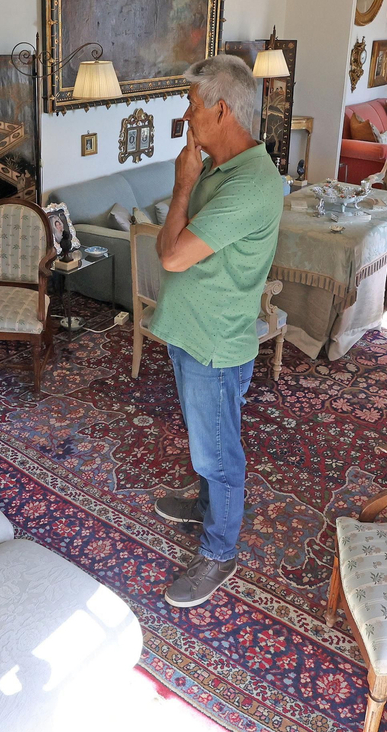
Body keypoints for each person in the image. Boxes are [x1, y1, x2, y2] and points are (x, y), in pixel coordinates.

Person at [148, 55, 283, 608]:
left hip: (215, 343)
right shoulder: (219, 168)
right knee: (207, 443)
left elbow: (173, 256)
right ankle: (209, 507)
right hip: (191, 333)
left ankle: (219, 551)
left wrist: (181, 187)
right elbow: (167, 251)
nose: (186, 115)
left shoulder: (250, 184)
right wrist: (188, 183)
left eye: (193, 104)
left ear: (221, 109)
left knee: (219, 455)